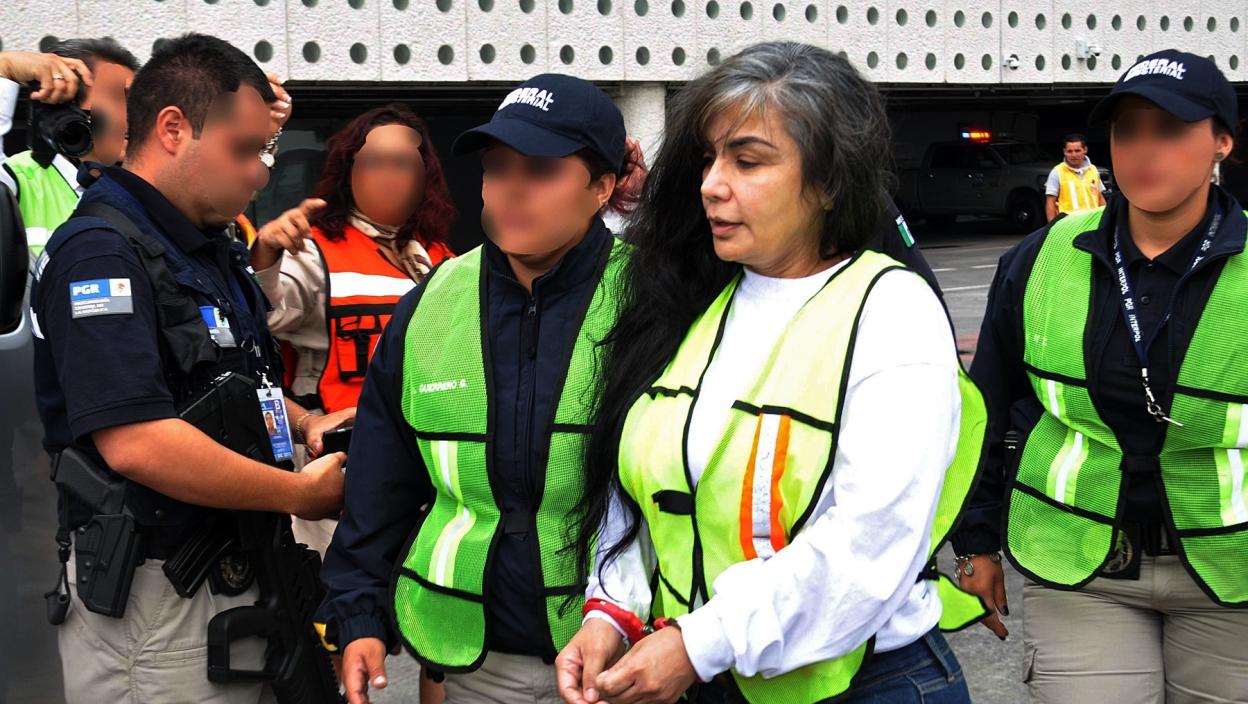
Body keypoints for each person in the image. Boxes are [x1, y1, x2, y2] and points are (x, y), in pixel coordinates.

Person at [557, 41, 987, 704]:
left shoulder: (891, 310)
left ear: (829, 183)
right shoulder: (687, 300)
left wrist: (700, 643)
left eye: (748, 160)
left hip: (869, 684)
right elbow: (645, 489)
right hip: (704, 675)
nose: (711, 184)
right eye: (709, 157)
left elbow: (869, 544)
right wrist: (609, 613)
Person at [30, 33, 344, 703]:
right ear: (173, 128)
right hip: (156, 595)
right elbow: (137, 442)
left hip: (235, 571)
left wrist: (306, 423)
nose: (260, 174)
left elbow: (235, 380)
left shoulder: (205, 247)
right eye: (244, 149)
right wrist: (299, 495)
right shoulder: (101, 253)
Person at [316, 73, 639, 704]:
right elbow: (381, 479)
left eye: (541, 170)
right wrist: (358, 610)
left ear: (602, 188)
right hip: (477, 664)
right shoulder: (430, 304)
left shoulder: (653, 300)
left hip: (625, 659)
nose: (511, 188)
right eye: (497, 168)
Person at [953, 49, 1248, 703]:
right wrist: (975, 541)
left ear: (1221, 141)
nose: (1144, 149)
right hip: (1079, 565)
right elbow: (987, 406)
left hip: (1235, 571)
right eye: (1127, 130)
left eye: (1169, 129)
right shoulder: (1041, 257)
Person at [250, 104, 457, 550]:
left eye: (402, 163)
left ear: (425, 175)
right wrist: (266, 252)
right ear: (349, 170)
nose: (388, 175)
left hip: (424, 474)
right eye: (373, 162)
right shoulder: (313, 249)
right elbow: (263, 316)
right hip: (339, 475)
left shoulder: (442, 258)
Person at [1044, 133, 1106, 222]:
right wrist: (1051, 227)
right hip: (1069, 225)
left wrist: (1106, 221)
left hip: (1093, 223)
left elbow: (1100, 198)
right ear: (1064, 151)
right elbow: (1050, 202)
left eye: (1077, 151)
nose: (1073, 155)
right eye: (1069, 151)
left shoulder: (1093, 170)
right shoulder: (1057, 172)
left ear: (1085, 150)